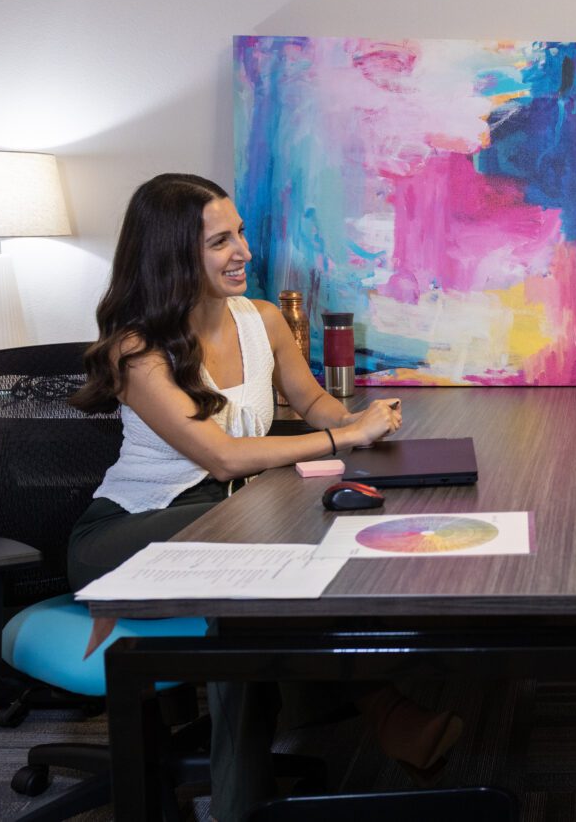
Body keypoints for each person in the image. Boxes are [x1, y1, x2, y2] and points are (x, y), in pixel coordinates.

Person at [69, 173, 459, 821]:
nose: (243, 250)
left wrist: (363, 432)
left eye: (241, 232)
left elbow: (308, 400)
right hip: (127, 533)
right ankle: (379, 715)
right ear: (172, 255)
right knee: (266, 530)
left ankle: (246, 798)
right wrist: (341, 438)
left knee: (258, 574)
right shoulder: (136, 352)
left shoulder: (264, 319)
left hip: (223, 519)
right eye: (221, 240)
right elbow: (219, 455)